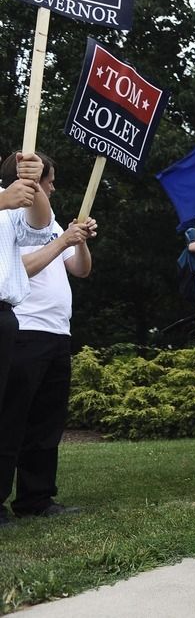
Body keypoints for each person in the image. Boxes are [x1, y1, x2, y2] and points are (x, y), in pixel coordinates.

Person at [0, 152, 73, 526]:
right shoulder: (5, 204)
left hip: (35, 325)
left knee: (45, 421)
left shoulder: (21, 212)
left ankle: (35, 497)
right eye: (48, 180)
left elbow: (41, 225)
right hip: (28, 326)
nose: (53, 186)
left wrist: (32, 186)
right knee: (9, 418)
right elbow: (25, 263)